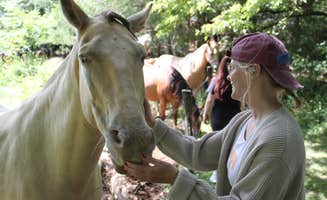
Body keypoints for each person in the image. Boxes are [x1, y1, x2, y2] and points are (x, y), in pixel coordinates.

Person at [124, 32, 306, 199]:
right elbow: (198, 153)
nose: (228, 76)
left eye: (232, 67)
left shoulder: (279, 140)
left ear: (254, 71)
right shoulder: (245, 119)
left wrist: (175, 178)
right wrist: (153, 124)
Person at [202, 52, 241, 182]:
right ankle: (232, 172)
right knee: (232, 146)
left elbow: (209, 100)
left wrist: (205, 114)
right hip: (234, 118)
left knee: (218, 145)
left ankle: (217, 174)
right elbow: (242, 102)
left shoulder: (215, 81)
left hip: (217, 118)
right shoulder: (238, 79)